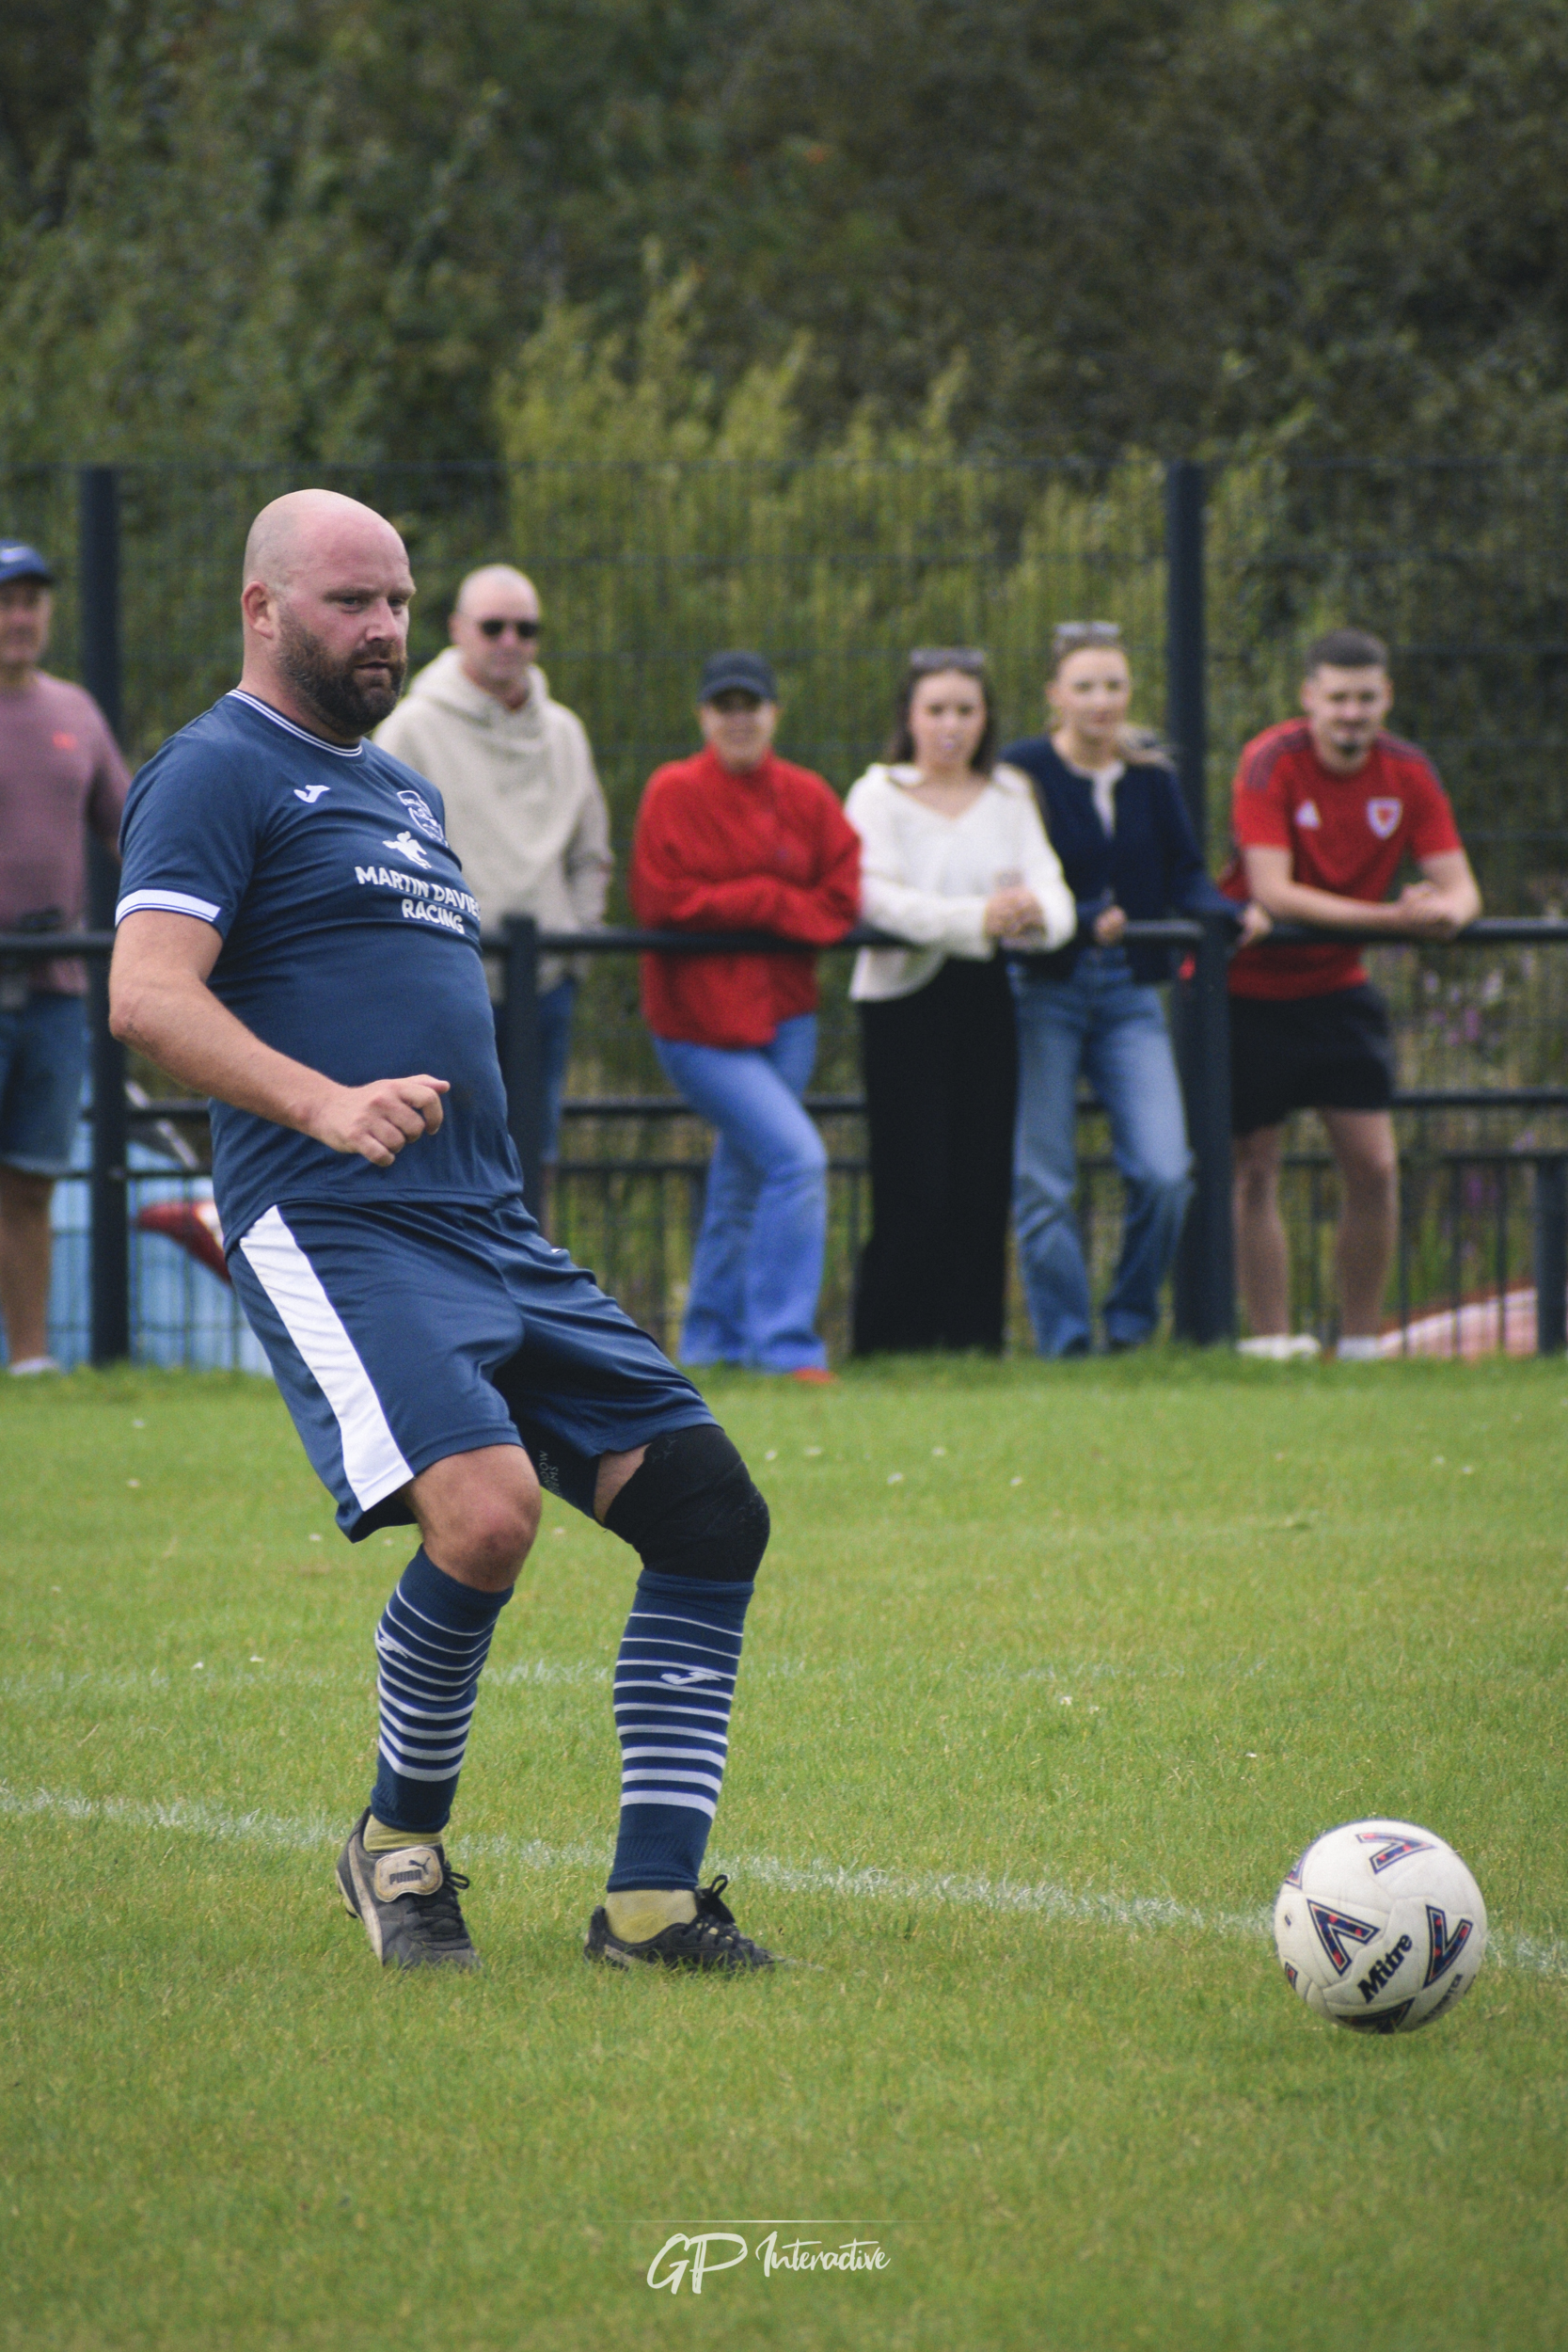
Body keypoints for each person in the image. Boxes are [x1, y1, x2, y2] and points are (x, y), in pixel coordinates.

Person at [110, 490, 781, 1976]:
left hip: (489, 1229)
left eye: (398, 600)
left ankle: (652, 1907)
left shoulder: (404, 791)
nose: (385, 629)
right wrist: (323, 1104)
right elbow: (148, 994)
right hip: (339, 1220)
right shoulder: (212, 770)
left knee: (709, 1512)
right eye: (352, 601)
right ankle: (396, 1846)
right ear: (261, 608)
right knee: (483, 1517)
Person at [1004, 621, 1263, 1357]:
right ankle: (1064, 1342)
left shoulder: (1150, 776)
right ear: (1055, 695)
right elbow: (1016, 871)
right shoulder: (1022, 771)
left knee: (1163, 1172)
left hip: (1130, 991)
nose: (1100, 701)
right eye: (1083, 686)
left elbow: (1185, 873)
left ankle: (1127, 1326)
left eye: (1113, 685)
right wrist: (1082, 920)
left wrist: (1229, 914)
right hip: (1044, 985)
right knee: (1044, 1180)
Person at [1223, 625, 1481, 1360]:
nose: (1350, 714)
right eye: (1336, 698)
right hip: (1250, 988)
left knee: (1374, 1167)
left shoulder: (1407, 770)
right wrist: (1396, 919)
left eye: (1365, 698)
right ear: (1308, 698)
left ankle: (1362, 1345)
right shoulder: (1268, 761)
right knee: (1254, 1167)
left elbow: (1461, 889)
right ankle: (1271, 1343)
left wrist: (1443, 914)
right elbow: (1275, 891)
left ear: (1385, 698)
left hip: (1340, 989)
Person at [629, 653, 861, 1380]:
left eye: (750, 705)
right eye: (723, 705)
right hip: (696, 1028)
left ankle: (711, 1344)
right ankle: (786, 1346)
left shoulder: (808, 795)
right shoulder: (671, 790)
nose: (738, 718)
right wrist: (766, 899)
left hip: (786, 1021)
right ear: (703, 716)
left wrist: (755, 900)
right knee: (798, 1159)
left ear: (772, 714)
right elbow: (662, 900)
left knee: (741, 1180)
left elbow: (841, 900)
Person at [845, 649, 1074, 1354]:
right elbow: (879, 899)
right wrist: (979, 919)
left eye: (965, 710)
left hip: (983, 998)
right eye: (936, 709)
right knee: (912, 1179)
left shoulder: (1008, 793)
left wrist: (1032, 914)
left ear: (985, 718)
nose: (951, 725)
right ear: (909, 717)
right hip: (899, 1002)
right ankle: (888, 1346)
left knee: (980, 1177)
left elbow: (1053, 893)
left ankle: (975, 1343)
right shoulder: (876, 794)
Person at [372, 563, 611, 1178]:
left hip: (546, 981)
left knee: (536, 1156)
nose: (510, 641)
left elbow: (592, 851)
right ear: (457, 629)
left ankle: (528, 1275)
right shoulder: (411, 729)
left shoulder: (564, 732)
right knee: (450, 1157)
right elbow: (379, 853)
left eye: (525, 629)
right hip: (449, 984)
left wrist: (575, 944)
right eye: (493, 626)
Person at [0, 537, 130, 1375]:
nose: (18, 618)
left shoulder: (77, 714)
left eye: (32, 601)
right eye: (6, 602)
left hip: (56, 987)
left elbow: (134, 831)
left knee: (33, 1178)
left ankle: (33, 1360)